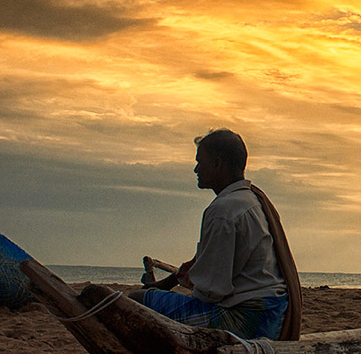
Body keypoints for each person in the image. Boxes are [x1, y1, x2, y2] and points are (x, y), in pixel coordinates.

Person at [129, 129, 301, 340]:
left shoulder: (223, 210)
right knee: (159, 299)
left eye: (201, 162)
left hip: (248, 320)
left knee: (135, 301)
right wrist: (167, 285)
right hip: (274, 311)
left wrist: (180, 291)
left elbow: (213, 290)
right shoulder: (252, 200)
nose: (196, 169)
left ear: (218, 164)